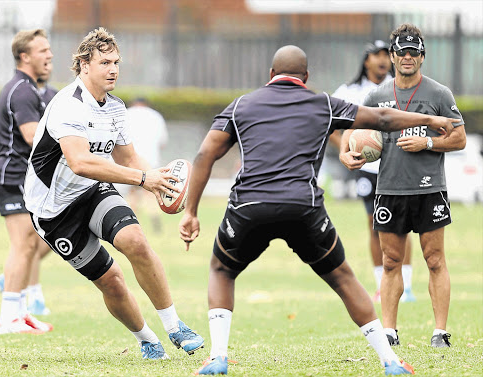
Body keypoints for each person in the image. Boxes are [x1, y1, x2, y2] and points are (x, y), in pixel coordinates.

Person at [179, 45, 458, 375]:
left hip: (249, 206)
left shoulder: (241, 105)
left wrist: (191, 212)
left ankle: (218, 357)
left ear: (271, 76)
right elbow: (382, 118)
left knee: (222, 270)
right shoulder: (323, 103)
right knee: (343, 277)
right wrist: (429, 118)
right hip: (303, 207)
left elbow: (203, 156)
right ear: (306, 77)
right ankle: (390, 361)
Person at [23, 27, 204, 359]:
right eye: (105, 62)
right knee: (112, 281)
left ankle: (175, 325)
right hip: (53, 212)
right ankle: (147, 339)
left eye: (117, 62)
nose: (114, 69)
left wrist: (161, 182)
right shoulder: (68, 104)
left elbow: (127, 158)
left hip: (91, 192)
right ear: (84, 65)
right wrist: (141, 178)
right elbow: (79, 162)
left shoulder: (116, 108)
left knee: (136, 241)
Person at [340, 24, 466, 348]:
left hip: (429, 188)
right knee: (391, 261)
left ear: (422, 56)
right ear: (393, 57)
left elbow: (459, 137)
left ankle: (440, 332)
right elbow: (351, 129)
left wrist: (427, 143)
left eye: (414, 51)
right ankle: (390, 331)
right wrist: (347, 154)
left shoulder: (439, 94)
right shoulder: (377, 96)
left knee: (434, 259)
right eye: (402, 51)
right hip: (390, 189)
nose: (407, 57)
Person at [333, 40, 416, 303]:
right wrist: (346, 148)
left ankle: (407, 286)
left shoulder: (400, 86)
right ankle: (382, 285)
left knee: (401, 224)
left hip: (396, 166)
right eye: (376, 55)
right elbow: (332, 124)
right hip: (367, 168)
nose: (382, 60)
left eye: (385, 55)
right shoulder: (350, 90)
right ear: (366, 60)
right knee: (374, 224)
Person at [0, 29, 55, 334]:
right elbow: (33, 138)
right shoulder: (22, 90)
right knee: (23, 245)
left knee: (33, 242)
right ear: (24, 56)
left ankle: (20, 311)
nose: (49, 55)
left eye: (49, 50)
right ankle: (9, 318)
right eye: (42, 50)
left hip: (22, 177)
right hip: (12, 176)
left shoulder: (32, 89)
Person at [124, 97, 168, 232]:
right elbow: (163, 142)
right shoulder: (155, 116)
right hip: (150, 160)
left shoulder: (126, 113)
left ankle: (131, 223)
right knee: (150, 192)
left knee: (132, 192)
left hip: (129, 159)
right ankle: (155, 220)